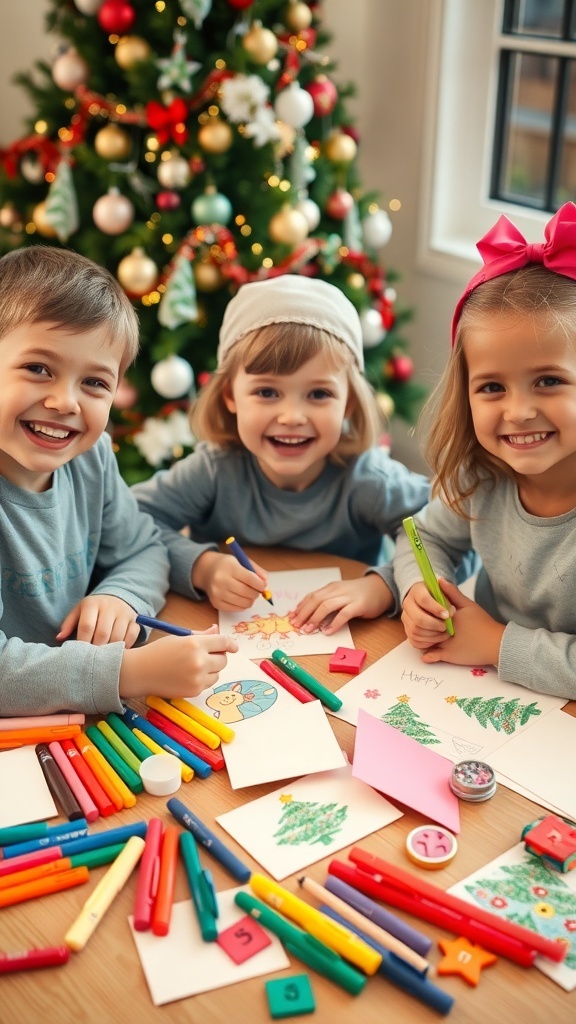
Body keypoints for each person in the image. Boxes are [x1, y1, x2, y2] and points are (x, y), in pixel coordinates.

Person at [0, 246, 236, 717]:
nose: (66, 402)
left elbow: (144, 548)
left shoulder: (93, 460)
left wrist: (119, 594)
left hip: (79, 719)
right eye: (38, 368)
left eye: (94, 383)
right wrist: (129, 672)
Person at [133, 275, 430, 633]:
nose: (291, 417)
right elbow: (130, 520)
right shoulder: (213, 470)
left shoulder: (368, 478)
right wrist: (202, 567)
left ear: (349, 402)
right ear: (230, 396)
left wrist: (382, 586)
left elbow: (446, 534)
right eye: (267, 392)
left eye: (319, 394)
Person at [393, 201, 576, 699]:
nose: (518, 412)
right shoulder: (483, 476)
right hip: (486, 695)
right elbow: (426, 540)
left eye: (548, 380)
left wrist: (496, 644)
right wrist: (418, 593)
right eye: (492, 387)